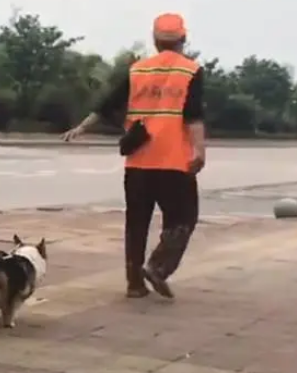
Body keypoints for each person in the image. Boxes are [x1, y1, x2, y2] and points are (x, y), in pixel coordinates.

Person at [62, 13, 206, 299]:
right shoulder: (191, 70)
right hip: (174, 161)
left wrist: (80, 127)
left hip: (138, 160)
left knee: (137, 221)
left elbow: (107, 105)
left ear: (155, 40)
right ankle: (158, 266)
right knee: (183, 217)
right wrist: (199, 150)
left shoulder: (138, 69)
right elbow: (193, 116)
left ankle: (134, 284)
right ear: (183, 39)